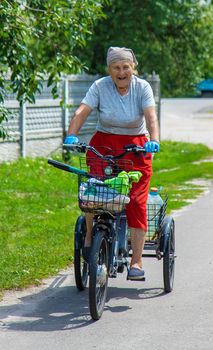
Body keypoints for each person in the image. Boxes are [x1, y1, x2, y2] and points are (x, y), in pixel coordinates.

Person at [64, 46, 160, 280]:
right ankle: (89, 237)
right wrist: (71, 135)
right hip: (104, 143)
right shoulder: (100, 86)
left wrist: (154, 140)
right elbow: (82, 112)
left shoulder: (142, 87)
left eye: (125, 67)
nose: (121, 72)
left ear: (133, 67)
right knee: (92, 192)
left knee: (135, 201)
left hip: (136, 147)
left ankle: (136, 261)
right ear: (109, 69)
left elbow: (151, 117)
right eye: (116, 67)